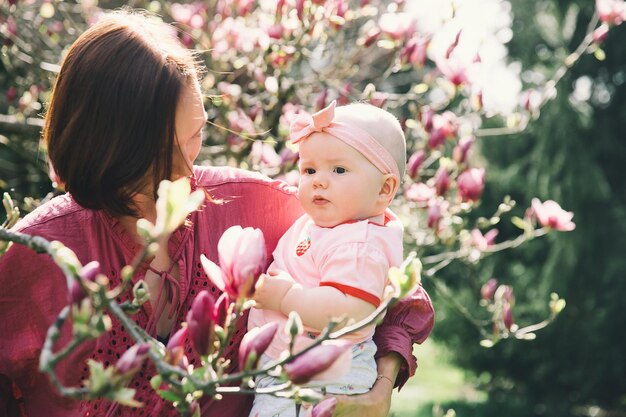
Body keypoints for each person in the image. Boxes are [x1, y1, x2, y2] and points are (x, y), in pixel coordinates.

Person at [0, 10, 434, 417]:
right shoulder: (38, 256)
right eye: (171, 148)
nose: (190, 169)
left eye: (199, 133)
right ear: (117, 149)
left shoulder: (250, 206)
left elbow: (393, 291)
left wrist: (380, 382)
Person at [249, 100, 410, 416]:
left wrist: (285, 297)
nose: (318, 180)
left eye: (338, 169)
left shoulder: (360, 245)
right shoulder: (329, 227)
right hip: (296, 368)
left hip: (324, 378)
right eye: (309, 170)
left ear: (384, 190)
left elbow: (349, 312)